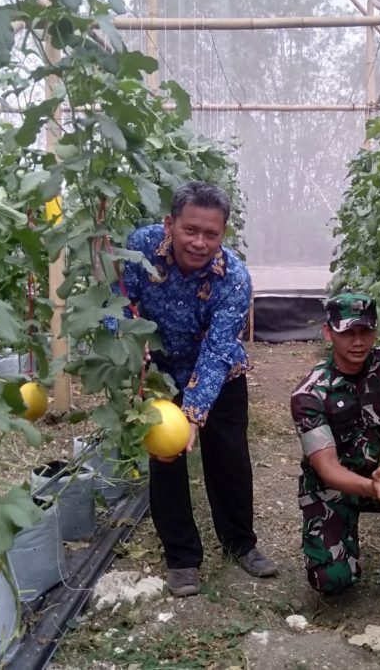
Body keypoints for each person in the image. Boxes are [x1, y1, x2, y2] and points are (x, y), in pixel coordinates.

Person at [119, 181, 278, 597]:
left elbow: (217, 349)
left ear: (223, 233)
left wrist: (194, 412)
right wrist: (130, 347)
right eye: (191, 230)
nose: (200, 242)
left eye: (211, 234)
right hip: (161, 373)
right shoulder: (140, 249)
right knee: (165, 458)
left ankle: (240, 542)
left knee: (229, 459)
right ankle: (182, 558)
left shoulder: (234, 279)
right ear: (170, 223)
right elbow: (120, 303)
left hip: (220, 373)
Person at [290, 292, 380, 612]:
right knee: (333, 581)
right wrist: (373, 488)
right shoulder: (310, 393)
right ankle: (340, 543)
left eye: (365, 332)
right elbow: (327, 468)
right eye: (347, 333)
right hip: (334, 487)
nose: (358, 342)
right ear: (328, 333)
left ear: (376, 331)